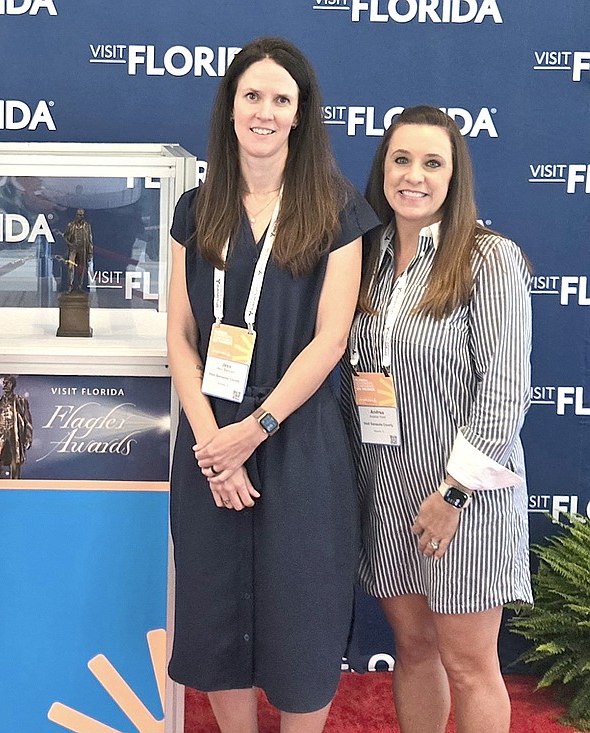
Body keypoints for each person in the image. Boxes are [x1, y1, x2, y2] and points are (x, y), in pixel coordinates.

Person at [166, 37, 380, 733]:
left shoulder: (337, 211)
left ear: (300, 114)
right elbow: (180, 336)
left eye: (280, 99)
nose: (264, 111)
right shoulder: (196, 209)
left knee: (303, 615)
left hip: (300, 438)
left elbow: (332, 339)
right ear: (230, 108)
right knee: (217, 612)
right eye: (251, 95)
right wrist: (211, 444)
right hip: (209, 438)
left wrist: (252, 432)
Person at [342, 105, 532, 733]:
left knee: (470, 662)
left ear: (455, 177)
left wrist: (452, 494)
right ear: (383, 168)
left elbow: (505, 394)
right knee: (415, 651)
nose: (414, 176)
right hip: (387, 489)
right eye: (401, 159)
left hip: (463, 498)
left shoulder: (489, 258)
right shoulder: (363, 260)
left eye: (432, 162)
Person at [0, 375, 33, 479]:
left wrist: (28, 438)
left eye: (7, 383)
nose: (4, 385)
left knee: (15, 460)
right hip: (0, 433)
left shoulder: (21, 402)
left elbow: (28, 421)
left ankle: (15, 484)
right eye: (4, 383)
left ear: (13, 385)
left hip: (14, 433)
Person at [62, 208, 93, 292]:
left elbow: (90, 240)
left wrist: (90, 252)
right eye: (79, 215)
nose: (81, 217)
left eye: (82, 215)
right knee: (70, 267)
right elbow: (65, 236)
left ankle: (80, 286)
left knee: (81, 268)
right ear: (76, 215)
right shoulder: (71, 225)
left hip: (83, 249)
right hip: (73, 249)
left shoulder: (87, 226)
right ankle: (70, 286)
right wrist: (70, 244)